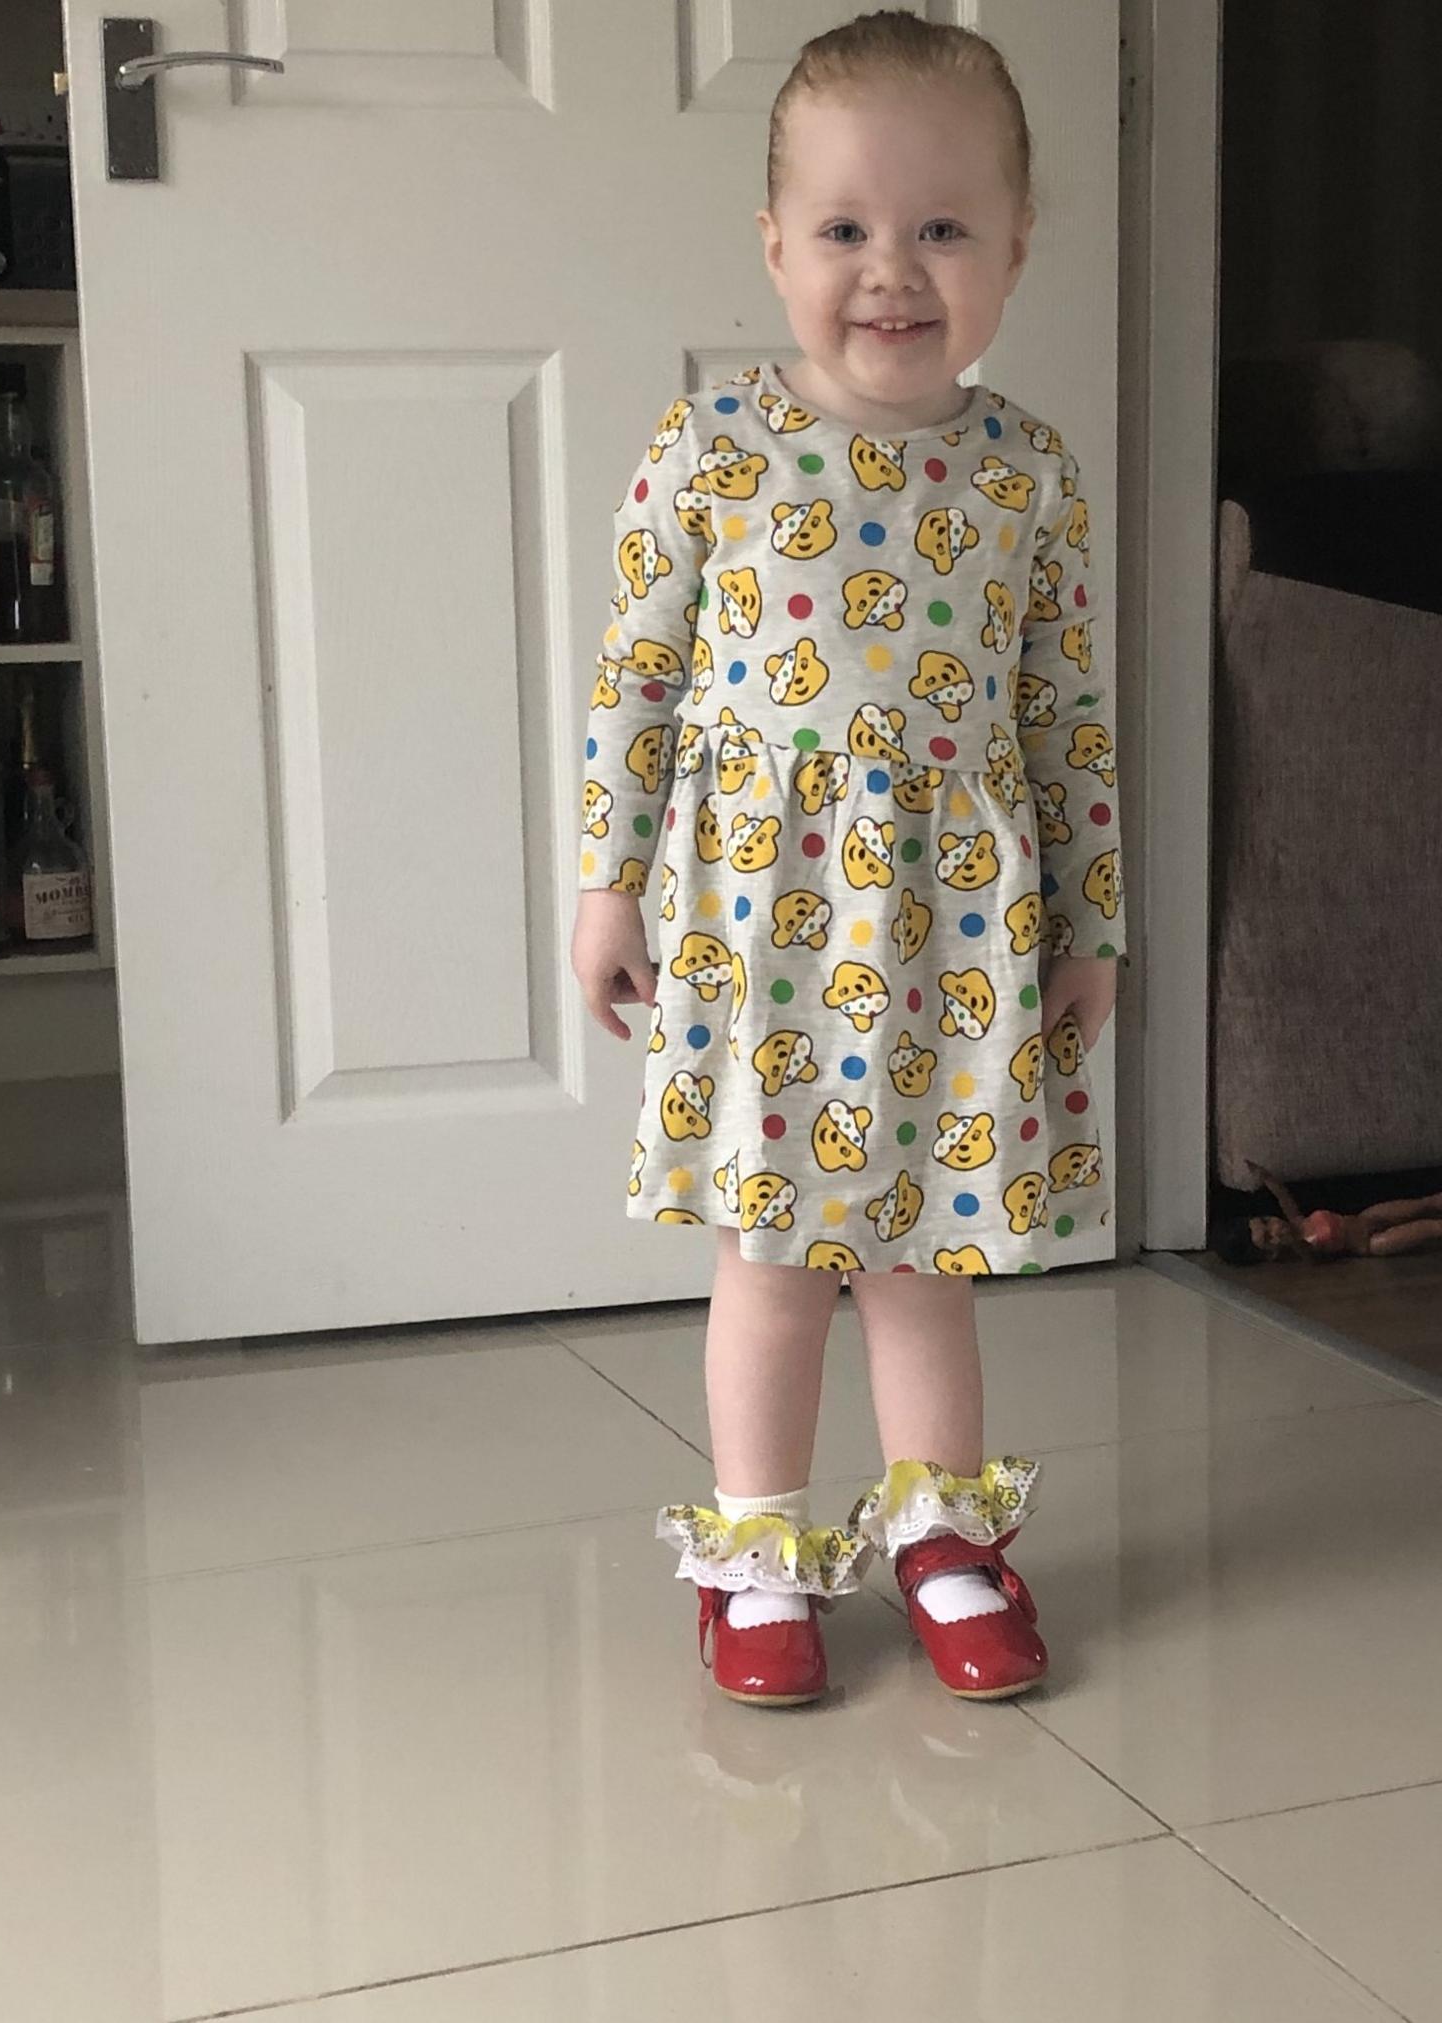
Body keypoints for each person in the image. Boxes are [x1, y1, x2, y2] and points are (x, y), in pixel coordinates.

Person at [569, 10, 1128, 1709]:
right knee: (775, 1258)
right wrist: (606, 878)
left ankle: (946, 1535)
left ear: (1018, 246)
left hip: (956, 934)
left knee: (922, 1252)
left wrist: (1091, 924)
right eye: (846, 230)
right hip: (764, 927)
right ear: (776, 247)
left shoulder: (1029, 473)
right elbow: (637, 680)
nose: (894, 270)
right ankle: (754, 1550)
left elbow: (1064, 713)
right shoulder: (715, 451)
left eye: (944, 227)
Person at [1214, 1161, 1442, 1264]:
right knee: (1431, 1228)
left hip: (1366, 1217)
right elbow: (1312, 1259)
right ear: (1270, 1254)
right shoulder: (1302, 1248)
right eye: (1268, 1237)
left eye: (1266, 1221)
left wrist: (1265, 1176)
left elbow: (1282, 1196)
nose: (1274, 1227)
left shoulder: (1297, 1219)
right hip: (1370, 1244)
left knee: (1423, 1204)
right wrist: (1294, 1243)